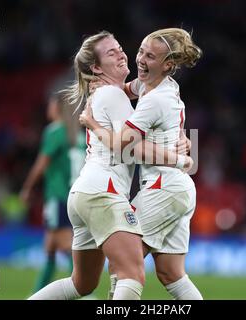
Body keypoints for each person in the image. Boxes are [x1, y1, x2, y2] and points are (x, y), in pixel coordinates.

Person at [28, 31, 192, 300]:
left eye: (119, 48)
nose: (122, 54)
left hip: (84, 194)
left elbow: (137, 99)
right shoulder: (112, 97)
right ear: (95, 67)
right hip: (103, 193)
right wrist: (180, 158)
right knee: (131, 274)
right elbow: (131, 147)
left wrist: (179, 137)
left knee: (81, 284)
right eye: (111, 52)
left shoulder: (110, 94)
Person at [80, 28, 204, 300]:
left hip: (164, 188)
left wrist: (91, 123)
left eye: (150, 56)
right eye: (141, 51)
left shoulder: (155, 100)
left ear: (168, 65)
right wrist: (105, 85)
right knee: (171, 273)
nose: (140, 59)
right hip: (180, 188)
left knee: (122, 264)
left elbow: (122, 145)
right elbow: (126, 90)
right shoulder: (157, 85)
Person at [20, 92, 85, 292]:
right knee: (50, 247)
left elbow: (42, 163)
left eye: (50, 105)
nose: (48, 109)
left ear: (57, 108)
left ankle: (85, 291)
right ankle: (36, 294)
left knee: (64, 244)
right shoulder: (79, 135)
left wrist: (27, 187)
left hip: (59, 197)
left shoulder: (55, 131)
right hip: (76, 195)